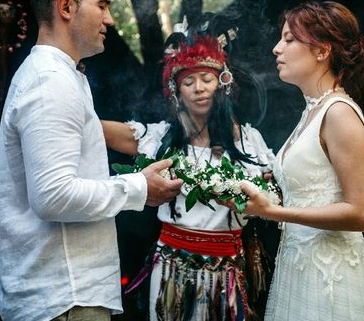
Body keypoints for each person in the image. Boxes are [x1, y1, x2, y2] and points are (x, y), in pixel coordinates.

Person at [0, 0, 183, 321]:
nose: (110, 20)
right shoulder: (51, 82)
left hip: (68, 292)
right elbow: (53, 197)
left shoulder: (64, 77)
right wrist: (139, 188)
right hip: (64, 297)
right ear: (66, 7)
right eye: (103, 5)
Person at [101, 23, 276, 321]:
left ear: (222, 83)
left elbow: (272, 198)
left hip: (224, 272)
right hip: (171, 269)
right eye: (188, 82)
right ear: (176, 92)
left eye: (207, 79)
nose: (199, 88)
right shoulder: (160, 138)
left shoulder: (247, 141)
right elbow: (97, 129)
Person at [229, 1, 364, 320]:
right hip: (298, 270)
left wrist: (273, 212)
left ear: (321, 51)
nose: (277, 49)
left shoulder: (339, 113)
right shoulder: (312, 113)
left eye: (289, 39)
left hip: (332, 277)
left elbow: (363, 213)